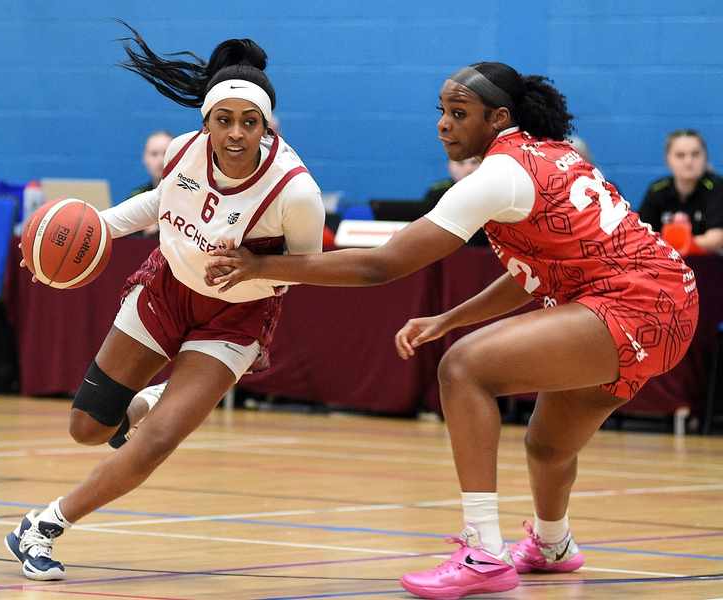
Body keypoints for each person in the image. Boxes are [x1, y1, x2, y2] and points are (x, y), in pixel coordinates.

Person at [205, 62, 699, 599]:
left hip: (637, 305)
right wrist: (449, 317)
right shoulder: (550, 156)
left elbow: (382, 265)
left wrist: (263, 267)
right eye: (441, 111)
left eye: (459, 114)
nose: (443, 124)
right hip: (664, 302)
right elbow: (535, 272)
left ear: (499, 118)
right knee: (548, 445)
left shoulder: (500, 175)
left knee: (463, 369)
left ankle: (484, 552)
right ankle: (553, 545)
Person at [5, 24, 324, 580]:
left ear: (266, 127)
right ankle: (154, 399)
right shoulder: (183, 152)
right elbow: (157, 203)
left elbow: (310, 269)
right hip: (167, 289)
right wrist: (86, 232)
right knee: (87, 429)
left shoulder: (295, 192)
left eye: (250, 123)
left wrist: (256, 264)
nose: (235, 134)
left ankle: (43, 526)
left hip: (235, 314)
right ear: (205, 122)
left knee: (157, 443)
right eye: (223, 121)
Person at [639, 129, 723, 253]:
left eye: (695, 154)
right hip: (666, 263)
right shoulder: (657, 190)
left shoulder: (717, 187)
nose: (688, 162)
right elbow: (642, 235)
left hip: (709, 263)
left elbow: (717, 238)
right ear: (668, 160)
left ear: (705, 157)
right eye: (680, 155)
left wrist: (680, 244)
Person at [423, 157, 486, 245]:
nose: (468, 169)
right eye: (460, 163)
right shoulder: (437, 193)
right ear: (449, 166)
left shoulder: (496, 192)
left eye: (474, 163)